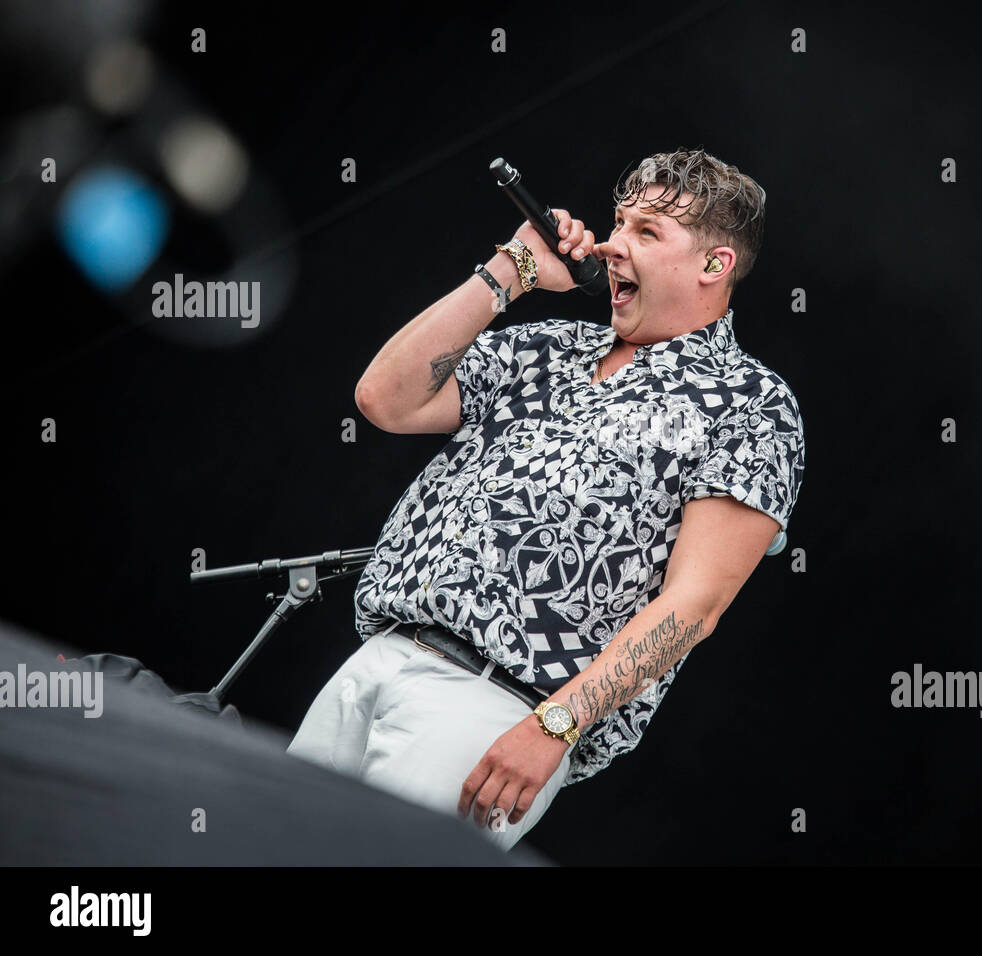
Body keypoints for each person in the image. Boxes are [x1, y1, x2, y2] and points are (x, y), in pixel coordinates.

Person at [287, 148, 806, 851]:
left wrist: (555, 724)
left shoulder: (751, 405)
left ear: (714, 267)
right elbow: (385, 399)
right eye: (620, 222)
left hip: (499, 706)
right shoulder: (548, 348)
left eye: (648, 233)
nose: (611, 243)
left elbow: (694, 606)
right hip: (381, 655)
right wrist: (512, 270)